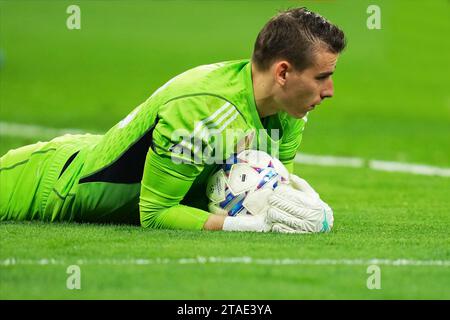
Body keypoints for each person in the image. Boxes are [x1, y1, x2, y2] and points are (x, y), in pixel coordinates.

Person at [0, 7, 346, 233]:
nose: (329, 90)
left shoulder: (290, 114)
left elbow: (274, 194)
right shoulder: (204, 112)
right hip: (40, 189)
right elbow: (155, 213)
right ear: (283, 72)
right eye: (321, 77)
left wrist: (317, 214)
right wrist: (255, 227)